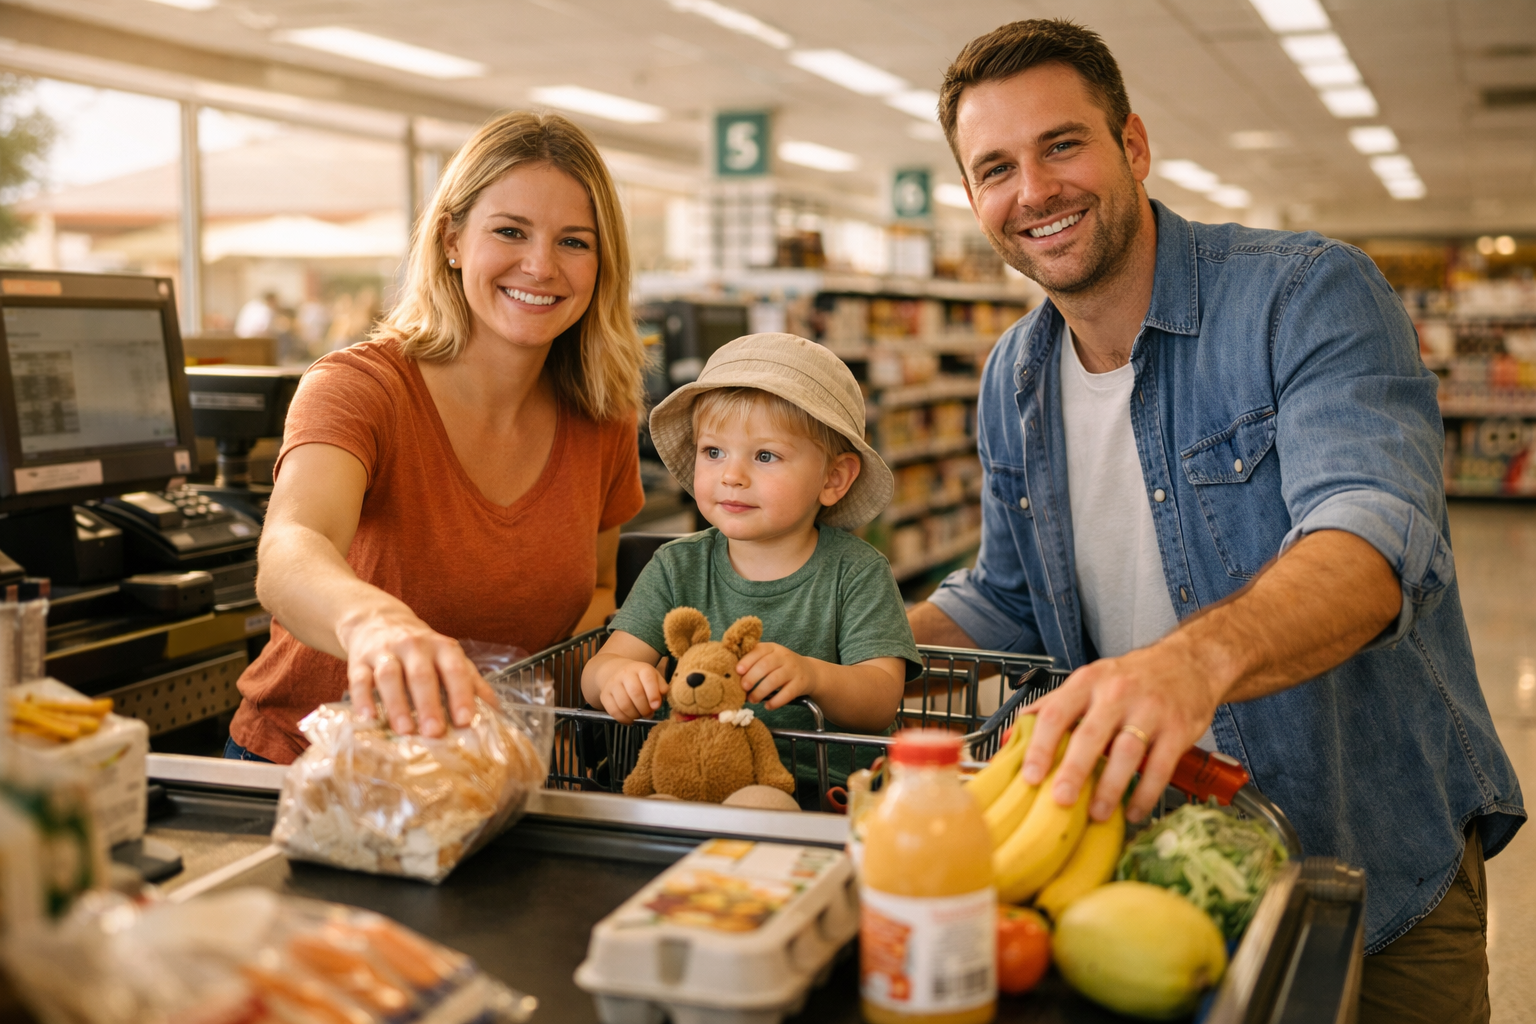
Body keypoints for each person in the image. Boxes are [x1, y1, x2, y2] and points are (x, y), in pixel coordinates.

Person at [908, 19, 1523, 1024]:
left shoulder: (1305, 294)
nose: (1035, 190)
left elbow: (1371, 540)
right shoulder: (1011, 377)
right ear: (975, 199)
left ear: (1133, 147)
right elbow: (1008, 595)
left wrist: (1190, 663)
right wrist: (850, 639)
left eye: (1063, 144)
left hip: (1368, 862)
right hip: (1164, 862)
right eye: (995, 169)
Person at [227, 111, 647, 764]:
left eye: (574, 242)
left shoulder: (603, 413)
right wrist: (375, 624)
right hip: (308, 772)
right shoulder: (360, 389)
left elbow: (595, 587)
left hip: (487, 778)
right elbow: (289, 550)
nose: (540, 266)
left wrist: (551, 713)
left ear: (603, 263)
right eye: (510, 231)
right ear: (452, 239)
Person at [582, 334, 919, 787]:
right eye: (713, 452)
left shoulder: (856, 573)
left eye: (765, 455)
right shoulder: (675, 567)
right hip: (689, 775)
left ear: (834, 478)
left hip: (815, 789)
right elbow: (599, 669)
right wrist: (619, 678)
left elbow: (881, 698)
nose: (732, 476)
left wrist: (813, 675)